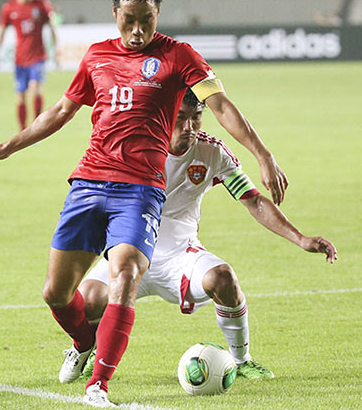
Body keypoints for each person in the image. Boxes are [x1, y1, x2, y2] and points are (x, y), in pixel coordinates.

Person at [0, 0, 289, 408]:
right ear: (115, 12)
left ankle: (98, 384)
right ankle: (84, 343)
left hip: (139, 189)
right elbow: (60, 112)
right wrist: (8, 145)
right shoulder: (96, 56)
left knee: (124, 275)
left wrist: (263, 154)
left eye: (147, 19)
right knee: (55, 293)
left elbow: (220, 106)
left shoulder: (181, 56)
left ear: (158, 12)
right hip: (87, 183)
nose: (138, 30)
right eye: (129, 19)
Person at [73, 89, 337, 383]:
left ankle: (242, 360)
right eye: (180, 118)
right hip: (131, 253)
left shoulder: (212, 152)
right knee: (86, 300)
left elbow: (253, 200)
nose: (189, 127)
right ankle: (89, 351)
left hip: (179, 257)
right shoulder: (136, 148)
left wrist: (300, 238)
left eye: (196, 118)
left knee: (223, 278)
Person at [0, 0, 58, 130]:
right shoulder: (9, 8)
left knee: (35, 89)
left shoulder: (41, 5)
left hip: (38, 56)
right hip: (20, 59)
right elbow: (2, 30)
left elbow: (52, 27)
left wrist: (57, 49)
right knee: (20, 96)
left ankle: (36, 127)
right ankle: (23, 129)